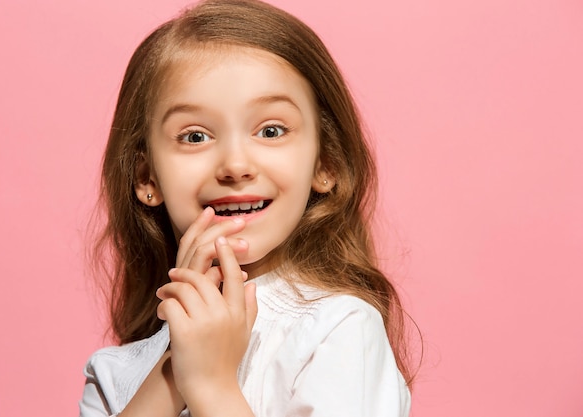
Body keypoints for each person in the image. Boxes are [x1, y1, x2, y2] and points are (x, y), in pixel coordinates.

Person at [80, 0, 416, 416]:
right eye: (195, 137)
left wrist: (211, 386)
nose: (235, 166)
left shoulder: (339, 331)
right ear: (147, 178)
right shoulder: (115, 374)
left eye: (271, 130)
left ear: (325, 162)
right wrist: (173, 374)